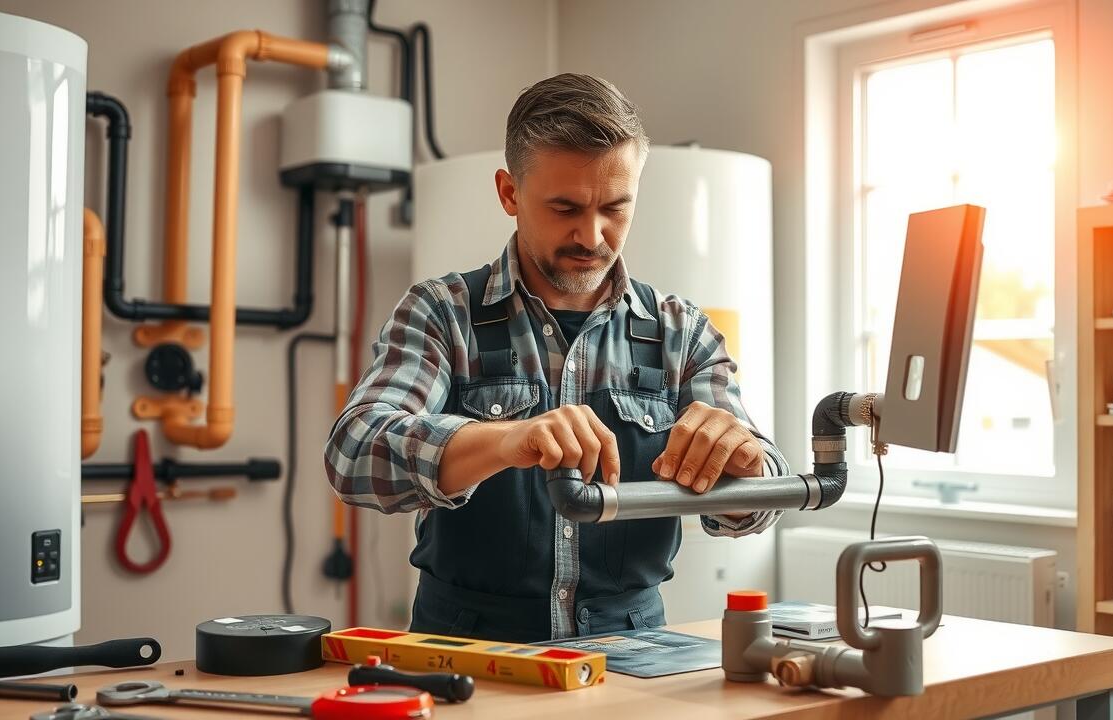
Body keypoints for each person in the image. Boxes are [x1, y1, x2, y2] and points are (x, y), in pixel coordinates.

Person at [324, 73, 789, 643]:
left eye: (615, 208)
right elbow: (354, 454)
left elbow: (764, 500)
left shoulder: (680, 331)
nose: (592, 236)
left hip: (633, 650)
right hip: (467, 648)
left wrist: (742, 462)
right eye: (565, 208)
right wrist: (505, 441)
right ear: (509, 193)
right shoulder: (442, 313)